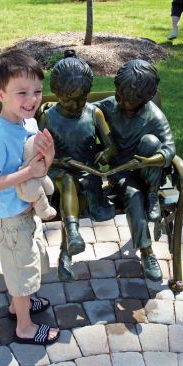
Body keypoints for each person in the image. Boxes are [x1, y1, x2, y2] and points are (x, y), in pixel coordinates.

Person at [0, 49, 60, 345]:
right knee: (22, 276)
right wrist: (27, 175)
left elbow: (36, 167)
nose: (32, 99)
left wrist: (47, 157)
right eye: (22, 92)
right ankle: (24, 326)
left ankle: (17, 305)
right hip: (11, 221)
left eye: (37, 91)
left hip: (27, 213)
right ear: (0, 94)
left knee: (29, 263)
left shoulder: (29, 124)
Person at [94, 59, 176, 282]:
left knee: (151, 142)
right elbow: (84, 112)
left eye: (127, 99)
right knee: (133, 195)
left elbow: (169, 149)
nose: (120, 100)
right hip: (121, 173)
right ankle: (147, 251)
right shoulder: (108, 106)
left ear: (144, 98)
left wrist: (149, 162)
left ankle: (153, 195)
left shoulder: (154, 116)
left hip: (149, 175)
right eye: (118, 94)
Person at [37, 51, 116, 279]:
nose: (75, 105)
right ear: (58, 94)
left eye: (81, 99)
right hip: (57, 174)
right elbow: (39, 154)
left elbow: (111, 146)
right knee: (68, 182)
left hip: (87, 176)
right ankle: (71, 236)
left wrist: (106, 153)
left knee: (74, 193)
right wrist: (60, 160)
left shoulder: (94, 113)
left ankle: (66, 252)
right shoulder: (49, 117)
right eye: (69, 99)